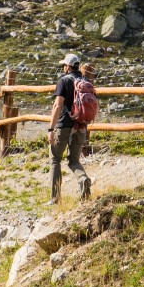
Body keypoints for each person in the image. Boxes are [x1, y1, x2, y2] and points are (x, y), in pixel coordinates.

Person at [48, 51, 92, 204]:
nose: (63, 68)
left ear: (68, 66)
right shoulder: (85, 81)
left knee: (55, 160)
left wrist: (51, 129)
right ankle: (83, 179)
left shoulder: (63, 81)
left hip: (63, 125)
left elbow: (58, 105)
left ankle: (55, 198)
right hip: (80, 125)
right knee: (73, 160)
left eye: (64, 65)